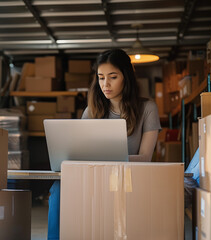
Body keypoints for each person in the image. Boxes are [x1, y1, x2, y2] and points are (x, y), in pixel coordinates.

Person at [47, 48, 161, 240]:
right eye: (101, 77)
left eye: (112, 77)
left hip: (126, 178)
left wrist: (110, 160)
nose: (105, 84)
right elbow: (80, 154)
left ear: (126, 77)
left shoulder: (148, 108)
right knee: (58, 189)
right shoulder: (91, 111)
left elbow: (145, 158)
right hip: (94, 177)